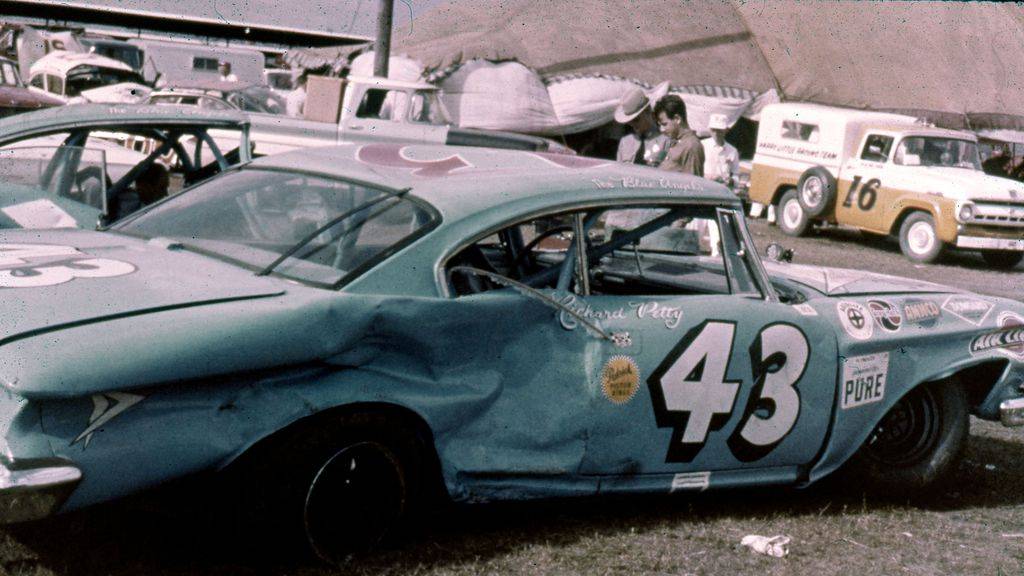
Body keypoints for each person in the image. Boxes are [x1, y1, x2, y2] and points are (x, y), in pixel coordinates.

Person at [614, 84, 670, 166]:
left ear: (647, 112)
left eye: (636, 120)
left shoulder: (666, 142)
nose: (633, 125)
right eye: (630, 122)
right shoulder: (625, 142)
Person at [653, 95, 704, 176]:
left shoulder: (691, 146)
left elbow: (693, 185)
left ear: (677, 119)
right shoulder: (675, 142)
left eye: (664, 124)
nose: (662, 129)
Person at [701, 113, 740, 185]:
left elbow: (736, 175)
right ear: (709, 129)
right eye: (713, 130)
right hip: (704, 186)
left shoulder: (732, 151)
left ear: (726, 130)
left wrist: (731, 181)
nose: (716, 133)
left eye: (719, 130)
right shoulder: (702, 145)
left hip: (722, 189)